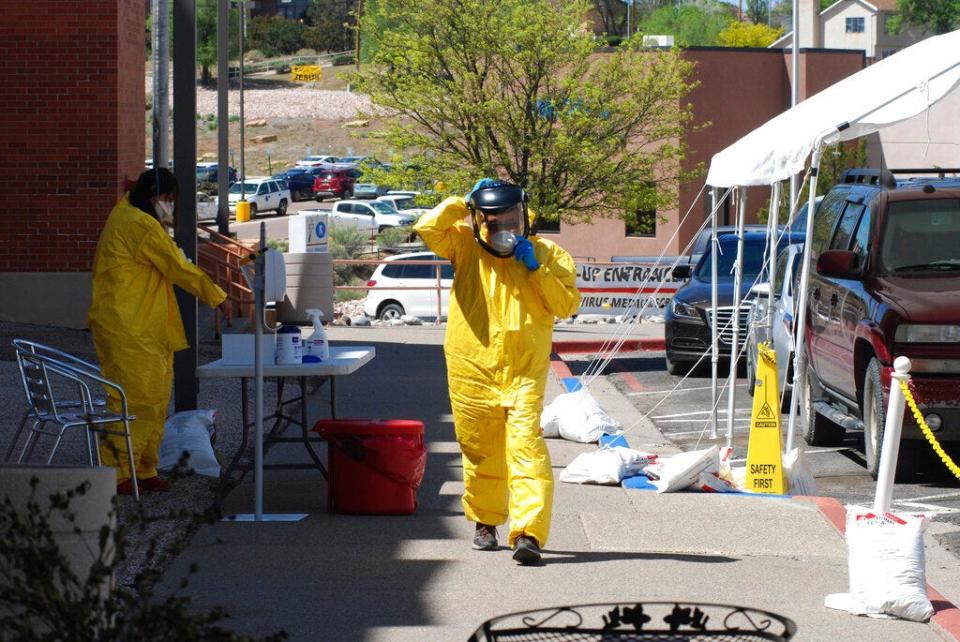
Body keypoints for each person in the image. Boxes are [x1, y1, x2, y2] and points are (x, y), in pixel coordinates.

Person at [413, 178, 580, 565]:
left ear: (524, 218)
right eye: (494, 221)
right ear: (479, 221)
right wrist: (461, 200)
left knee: (527, 450)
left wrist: (535, 269)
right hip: (471, 367)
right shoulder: (465, 247)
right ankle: (486, 523)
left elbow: (566, 304)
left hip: (523, 371)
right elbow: (427, 227)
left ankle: (527, 534)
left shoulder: (548, 255)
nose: (505, 229)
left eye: (512, 220)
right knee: (480, 451)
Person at [88, 168, 227, 495]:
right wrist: (218, 296)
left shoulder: (129, 213)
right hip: (131, 328)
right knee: (134, 402)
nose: (166, 206)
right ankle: (120, 474)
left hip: (143, 326)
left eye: (169, 200)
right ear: (150, 197)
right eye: (164, 200)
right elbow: (177, 268)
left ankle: (143, 468)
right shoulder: (139, 225)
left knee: (153, 400)